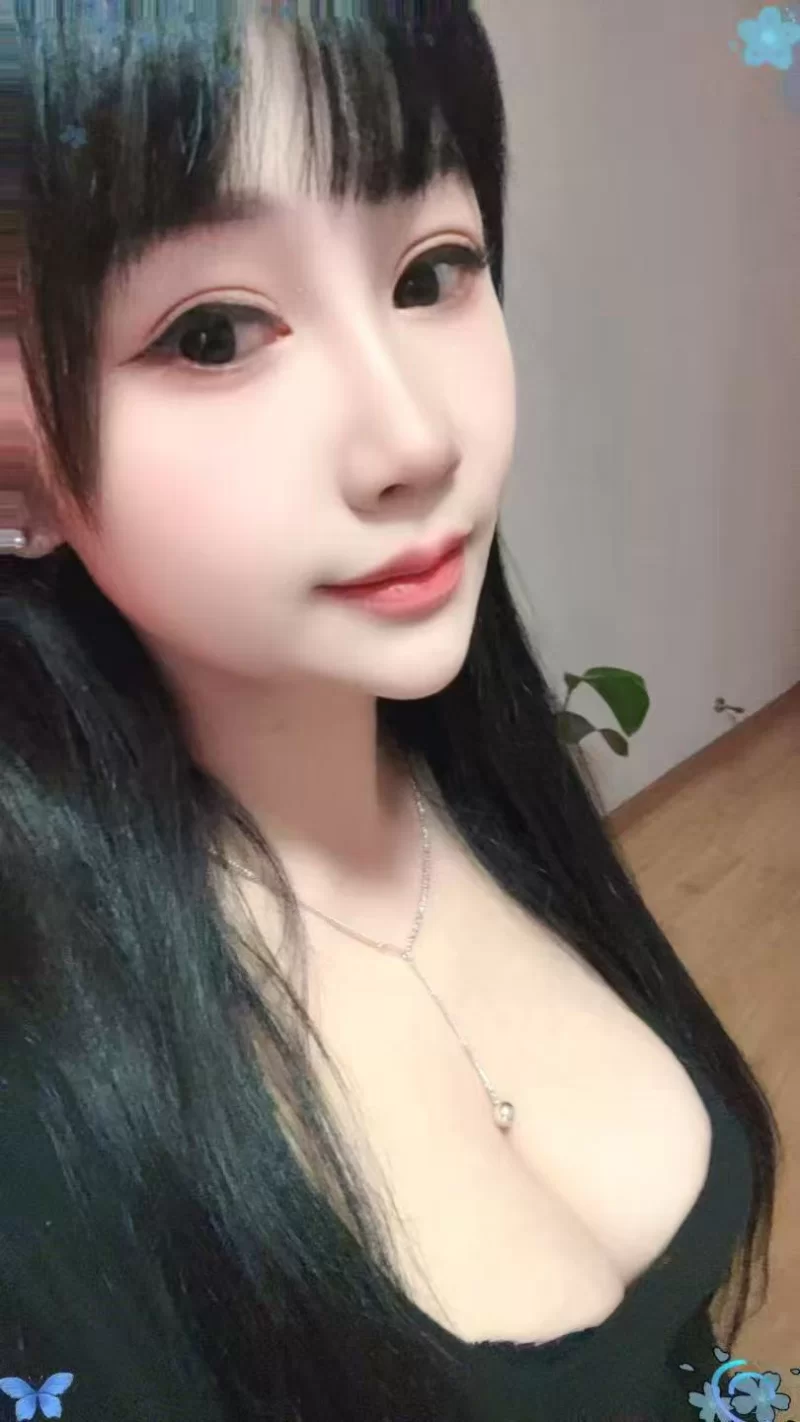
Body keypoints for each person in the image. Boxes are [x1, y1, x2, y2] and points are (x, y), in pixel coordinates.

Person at [0, 4, 779, 1419]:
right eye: (214, 331)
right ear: (15, 468)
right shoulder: (44, 1120)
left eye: (434, 271)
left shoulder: (483, 778)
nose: (415, 436)